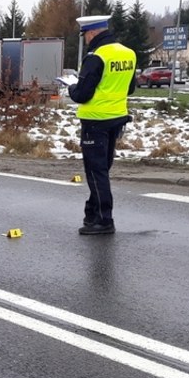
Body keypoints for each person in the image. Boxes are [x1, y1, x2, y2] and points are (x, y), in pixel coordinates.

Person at [67, 15, 136, 235]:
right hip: (117, 118)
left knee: (96, 172)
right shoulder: (128, 53)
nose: (86, 39)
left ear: (92, 32)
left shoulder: (96, 56)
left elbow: (82, 94)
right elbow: (131, 88)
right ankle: (92, 213)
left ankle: (104, 220)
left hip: (95, 120)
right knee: (102, 169)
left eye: (86, 35)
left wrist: (70, 88)